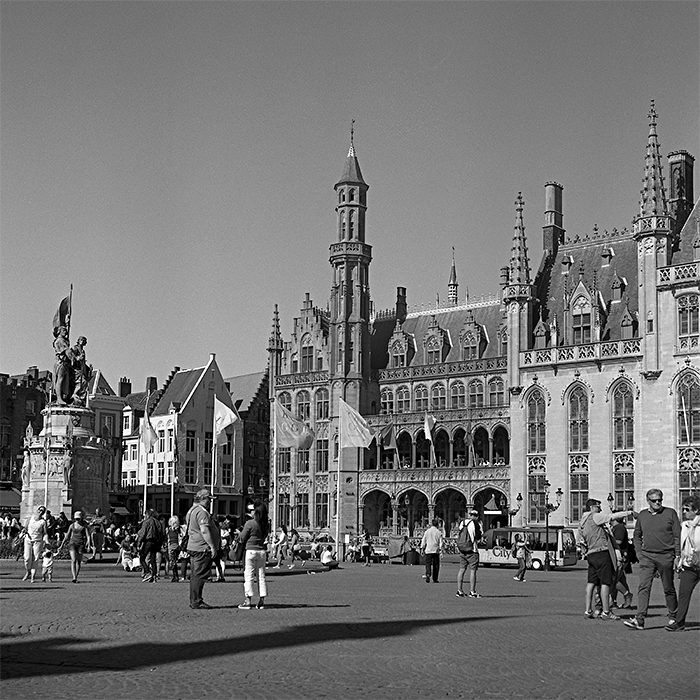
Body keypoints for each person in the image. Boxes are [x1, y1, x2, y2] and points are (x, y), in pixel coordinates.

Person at [624, 489, 681, 630]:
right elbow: (637, 535)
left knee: (668, 588)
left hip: (666, 556)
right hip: (647, 557)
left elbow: (677, 536)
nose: (657, 503)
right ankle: (640, 619)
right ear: (648, 501)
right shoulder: (643, 515)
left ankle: (673, 617)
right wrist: (639, 554)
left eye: (659, 500)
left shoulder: (670, 513)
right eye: (654, 500)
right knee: (643, 587)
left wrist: (677, 555)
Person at [578, 498, 635, 620]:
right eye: (598, 506)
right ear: (592, 507)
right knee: (605, 582)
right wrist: (629, 513)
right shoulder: (594, 517)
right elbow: (611, 516)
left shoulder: (582, 522)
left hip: (591, 554)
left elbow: (581, 541)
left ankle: (588, 610)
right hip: (601, 553)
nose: (600, 509)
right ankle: (606, 611)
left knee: (591, 583)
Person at [666, 495, 700, 632]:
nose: (684, 512)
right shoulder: (684, 526)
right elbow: (681, 545)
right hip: (689, 566)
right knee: (684, 594)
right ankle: (679, 622)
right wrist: (679, 559)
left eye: (687, 509)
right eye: (683, 509)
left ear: (696, 510)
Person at [185, 489, 220, 610]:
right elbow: (204, 530)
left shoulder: (191, 511)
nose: (210, 502)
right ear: (204, 499)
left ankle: (194, 599)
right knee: (199, 575)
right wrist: (212, 546)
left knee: (195, 574)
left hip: (193, 545)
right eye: (209, 499)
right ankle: (196, 600)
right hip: (201, 547)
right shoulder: (201, 512)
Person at [238, 502, 269, 609]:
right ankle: (261, 600)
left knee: (249, 576)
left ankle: (248, 600)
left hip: (250, 550)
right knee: (261, 576)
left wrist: (239, 534)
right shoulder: (265, 524)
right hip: (261, 551)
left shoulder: (250, 523)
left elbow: (242, 538)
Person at [456, 509, 482, 598]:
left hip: (462, 550)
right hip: (472, 549)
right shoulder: (475, 524)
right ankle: (472, 591)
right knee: (473, 570)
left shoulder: (462, 522)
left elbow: (459, 533)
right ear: (476, 516)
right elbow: (477, 537)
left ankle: (459, 590)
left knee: (462, 569)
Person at [610, 518, 634, 609]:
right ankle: (621, 602)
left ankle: (627, 595)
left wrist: (607, 541)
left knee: (613, 580)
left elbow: (619, 541)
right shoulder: (616, 527)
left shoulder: (619, 528)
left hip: (620, 557)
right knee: (621, 580)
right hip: (620, 556)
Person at [61, 511, 90, 583]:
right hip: (72, 543)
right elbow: (67, 535)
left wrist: (88, 543)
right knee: (73, 560)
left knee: (78, 562)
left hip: (80, 544)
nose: (77, 520)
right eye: (76, 519)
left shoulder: (84, 526)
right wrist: (61, 545)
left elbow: (88, 535)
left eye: (79, 519)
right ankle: (74, 577)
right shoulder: (72, 526)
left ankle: (76, 576)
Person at [137, 509, 165, 583]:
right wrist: (160, 543)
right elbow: (161, 534)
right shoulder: (158, 522)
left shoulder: (147, 522)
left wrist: (139, 543)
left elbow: (143, 533)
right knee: (153, 559)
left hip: (148, 541)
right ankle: (154, 575)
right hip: (155, 542)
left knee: (142, 558)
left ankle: (147, 572)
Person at [22, 506, 49, 582]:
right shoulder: (30, 518)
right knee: (27, 558)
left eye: (43, 511)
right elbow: (25, 528)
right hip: (28, 540)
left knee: (36, 558)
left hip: (38, 541)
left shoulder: (43, 522)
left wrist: (46, 541)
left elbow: (45, 533)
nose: (41, 512)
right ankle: (28, 572)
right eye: (40, 510)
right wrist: (24, 531)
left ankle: (33, 576)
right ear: (37, 510)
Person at [420, 518, 443, 583]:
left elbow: (423, 540)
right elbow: (441, 542)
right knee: (436, 565)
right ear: (437, 524)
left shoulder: (427, 531)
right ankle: (435, 578)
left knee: (428, 563)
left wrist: (422, 548)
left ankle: (428, 573)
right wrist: (440, 549)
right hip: (435, 550)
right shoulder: (439, 532)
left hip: (428, 549)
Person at [52, 325, 71, 404]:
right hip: (61, 362)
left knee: (64, 381)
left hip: (64, 362)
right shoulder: (60, 341)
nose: (65, 332)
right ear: (59, 331)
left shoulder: (62, 340)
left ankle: (62, 397)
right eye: (64, 330)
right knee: (60, 379)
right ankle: (59, 398)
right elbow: (67, 351)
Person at [166, 516, 182, 582]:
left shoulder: (170, 529)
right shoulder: (178, 529)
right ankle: (175, 576)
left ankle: (175, 576)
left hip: (173, 547)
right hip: (176, 547)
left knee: (173, 562)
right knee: (173, 562)